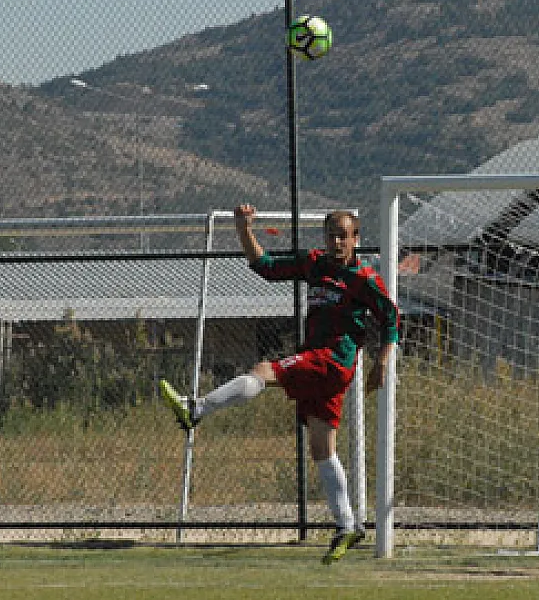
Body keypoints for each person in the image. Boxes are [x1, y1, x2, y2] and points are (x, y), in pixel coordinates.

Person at [161, 205, 400, 565]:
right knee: (322, 446)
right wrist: (244, 229)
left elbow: (391, 319)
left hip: (333, 360)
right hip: (325, 364)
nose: (336, 241)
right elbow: (265, 266)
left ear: (356, 240)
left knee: (264, 370)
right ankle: (348, 525)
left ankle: (197, 408)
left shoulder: (364, 278)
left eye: (343, 236)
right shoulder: (315, 264)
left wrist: (381, 363)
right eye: (331, 234)